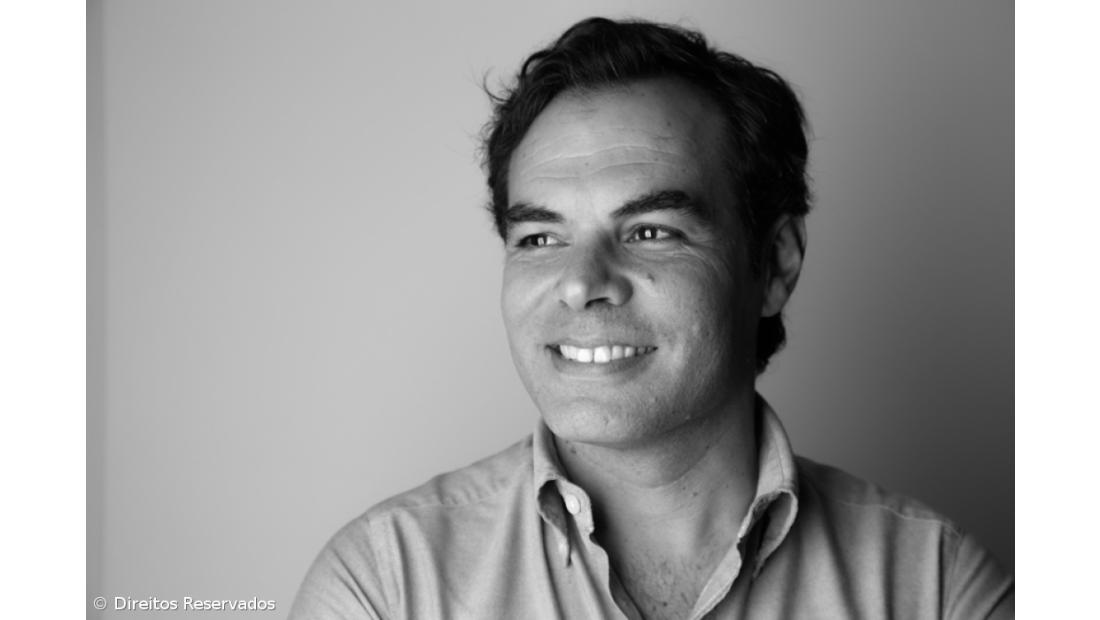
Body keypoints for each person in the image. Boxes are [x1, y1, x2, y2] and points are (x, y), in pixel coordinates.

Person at [289, 17, 1013, 619]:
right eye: (539, 238)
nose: (582, 284)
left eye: (649, 231)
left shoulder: (939, 587)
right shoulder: (383, 586)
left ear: (774, 264)